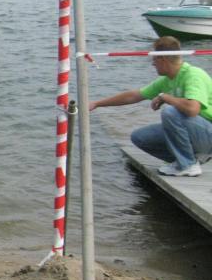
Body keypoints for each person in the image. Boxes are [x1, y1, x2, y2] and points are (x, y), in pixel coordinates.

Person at [89, 36, 212, 177]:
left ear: (162, 59)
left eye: (154, 59)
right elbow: (133, 96)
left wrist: (166, 97)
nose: (153, 64)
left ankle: (188, 165)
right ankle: (188, 160)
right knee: (140, 137)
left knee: (170, 112)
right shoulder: (166, 80)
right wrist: (97, 104)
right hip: (197, 134)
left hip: (208, 131)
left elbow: (192, 109)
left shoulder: (193, 75)